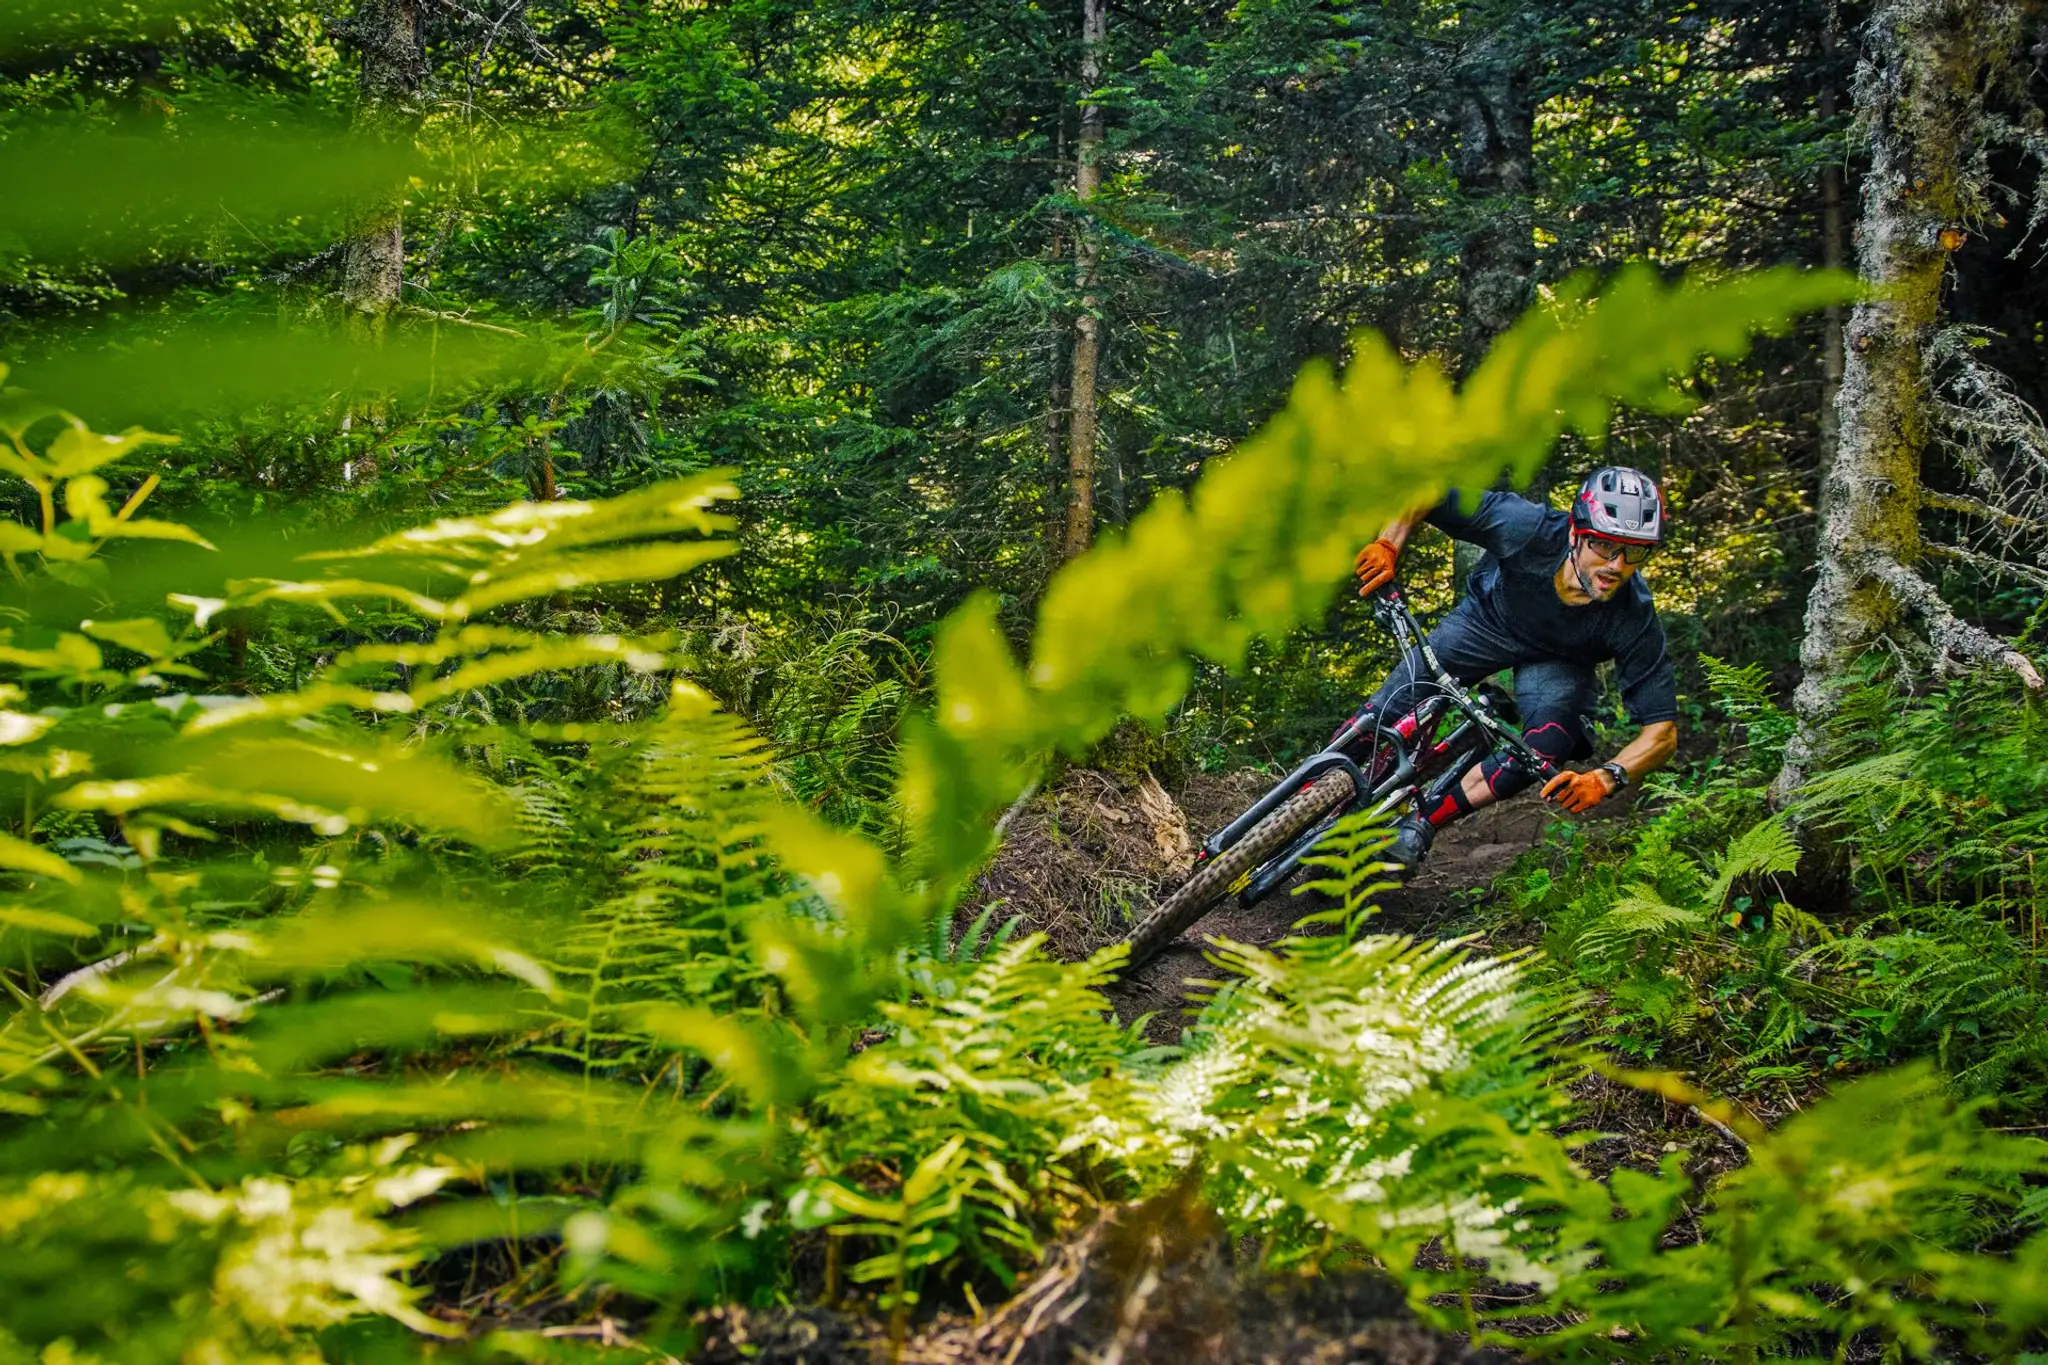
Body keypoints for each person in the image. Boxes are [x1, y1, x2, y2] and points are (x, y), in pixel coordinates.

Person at [1350, 467, 1681, 872]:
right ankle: (1312, 788)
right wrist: (1388, 543)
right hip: (1486, 623)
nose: (1616, 564)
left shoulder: (1634, 615)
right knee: (1384, 711)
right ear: (1577, 533)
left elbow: (1662, 733)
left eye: (1635, 552)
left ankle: (1421, 824)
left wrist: (1606, 778)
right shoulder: (1528, 528)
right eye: (1604, 545)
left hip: (1559, 663)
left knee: (1544, 752)